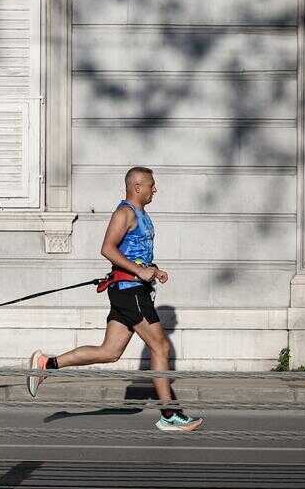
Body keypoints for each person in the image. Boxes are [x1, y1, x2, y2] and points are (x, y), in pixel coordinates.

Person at [27, 167, 203, 432]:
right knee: (161, 347)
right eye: (152, 185)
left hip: (132, 289)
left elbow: (135, 254)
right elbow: (107, 248)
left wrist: (153, 269)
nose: (155, 189)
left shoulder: (142, 215)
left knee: (110, 352)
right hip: (128, 290)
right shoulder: (125, 213)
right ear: (137, 186)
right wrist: (139, 271)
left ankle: (47, 364)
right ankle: (169, 415)